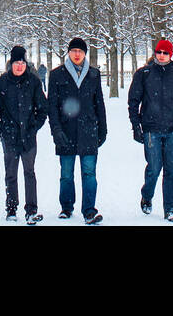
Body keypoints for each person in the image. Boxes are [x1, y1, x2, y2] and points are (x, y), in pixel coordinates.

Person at [127, 39, 173, 222]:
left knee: (171, 171)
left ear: (171, 55)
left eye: (165, 53)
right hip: (151, 129)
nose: (161, 56)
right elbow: (133, 101)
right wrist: (136, 125)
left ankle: (171, 208)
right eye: (159, 52)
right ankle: (147, 195)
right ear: (155, 53)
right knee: (154, 168)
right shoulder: (144, 74)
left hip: (172, 129)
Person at [47, 37, 107, 224]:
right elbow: (52, 105)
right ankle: (66, 206)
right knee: (66, 173)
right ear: (69, 53)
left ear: (85, 53)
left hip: (88, 130)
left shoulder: (94, 74)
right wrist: (56, 129)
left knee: (89, 173)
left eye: (80, 51)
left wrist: (103, 129)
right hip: (66, 131)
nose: (77, 54)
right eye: (73, 51)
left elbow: (99, 104)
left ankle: (89, 209)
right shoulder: (57, 75)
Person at [0, 45, 47, 224]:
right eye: (16, 63)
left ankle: (31, 210)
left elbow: (42, 109)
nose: (19, 66)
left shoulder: (34, 82)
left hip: (28, 136)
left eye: (22, 63)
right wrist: (1, 130)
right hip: (10, 136)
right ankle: (11, 208)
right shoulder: (1, 83)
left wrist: (34, 126)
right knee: (11, 174)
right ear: (11, 64)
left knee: (29, 173)